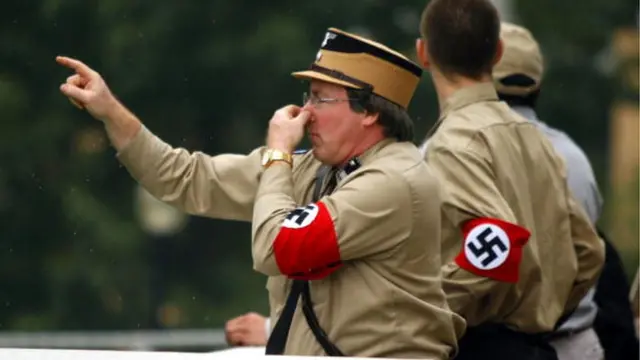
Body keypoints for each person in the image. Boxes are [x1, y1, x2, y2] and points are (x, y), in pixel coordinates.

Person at [56, 27, 465, 358]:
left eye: (322, 98)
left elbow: (278, 249)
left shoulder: (394, 179)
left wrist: (277, 156)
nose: (305, 112)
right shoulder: (316, 166)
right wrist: (110, 110)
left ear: (371, 111)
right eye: (308, 96)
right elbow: (184, 177)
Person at [414, 1, 605, 359]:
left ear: (423, 53)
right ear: (498, 51)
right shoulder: (533, 136)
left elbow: (496, 246)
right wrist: (543, 311)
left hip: (475, 344)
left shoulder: (452, 143)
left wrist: (423, 310)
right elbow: (589, 252)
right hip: (536, 346)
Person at [493, 21, 640, 360]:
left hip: (489, 345)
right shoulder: (575, 157)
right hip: (574, 343)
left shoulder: (449, 149)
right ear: (538, 85)